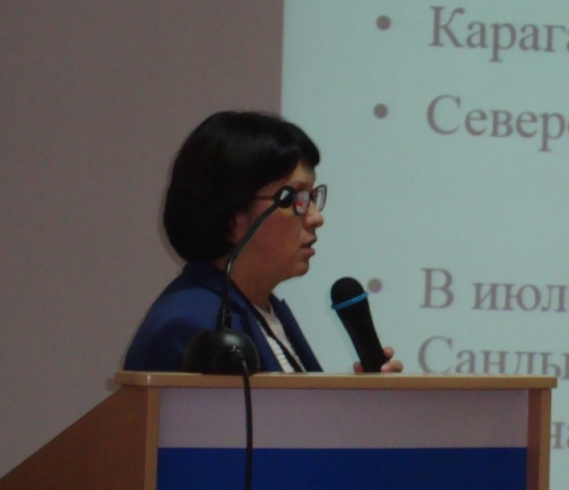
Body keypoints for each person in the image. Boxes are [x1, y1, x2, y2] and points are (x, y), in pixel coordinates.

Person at [123, 110, 401, 373]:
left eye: (312, 197)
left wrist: (363, 398)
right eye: (296, 199)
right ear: (232, 217)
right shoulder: (190, 328)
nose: (316, 218)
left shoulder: (267, 311)